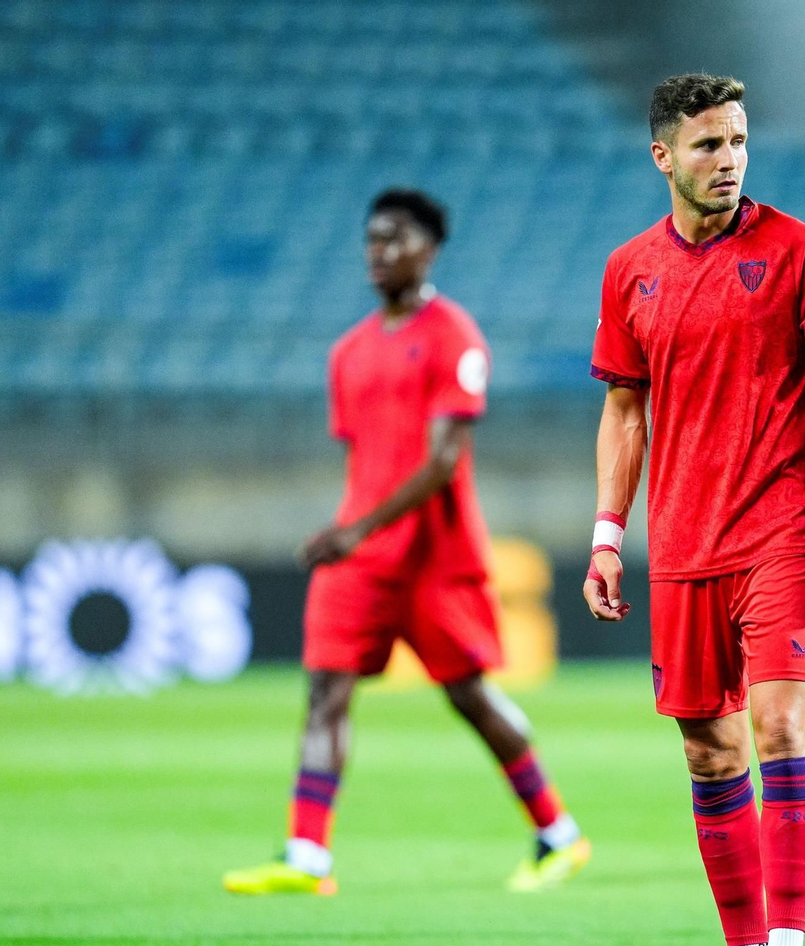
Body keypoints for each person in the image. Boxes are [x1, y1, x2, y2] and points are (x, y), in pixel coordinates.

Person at [586, 74, 805, 946]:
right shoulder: (630, 268)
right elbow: (624, 408)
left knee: (782, 730)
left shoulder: (800, 250)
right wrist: (606, 536)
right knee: (711, 755)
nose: (729, 161)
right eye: (709, 145)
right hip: (680, 545)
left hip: (784, 537)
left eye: (740, 142)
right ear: (663, 157)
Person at [224, 188, 589, 897]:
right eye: (371, 240)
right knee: (326, 690)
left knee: (469, 696)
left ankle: (558, 833)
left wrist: (356, 527)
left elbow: (444, 459)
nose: (378, 253)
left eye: (394, 239)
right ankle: (307, 856)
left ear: (429, 249)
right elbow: (370, 459)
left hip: (432, 556)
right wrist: (354, 531)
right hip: (359, 557)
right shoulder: (348, 353)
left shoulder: (456, 336)